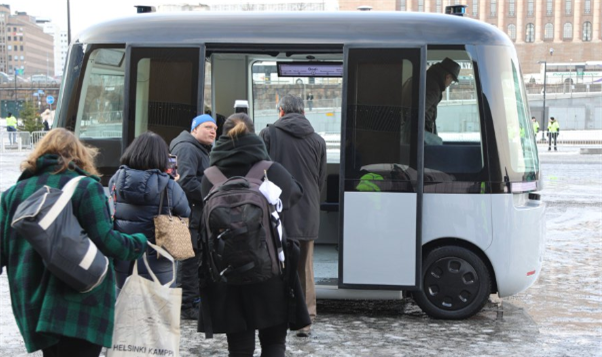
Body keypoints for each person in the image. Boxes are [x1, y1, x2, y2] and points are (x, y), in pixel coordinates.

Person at [0, 128, 148, 357]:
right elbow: (107, 241)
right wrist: (138, 243)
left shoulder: (12, 194)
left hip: (33, 300)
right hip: (80, 298)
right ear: (79, 154)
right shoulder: (85, 187)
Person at [198, 113, 309, 357]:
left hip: (227, 274)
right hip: (270, 271)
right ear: (254, 134)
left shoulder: (210, 176)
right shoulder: (271, 170)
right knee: (273, 344)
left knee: (239, 348)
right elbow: (295, 194)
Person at [259, 94, 327, 337]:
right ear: (304, 113)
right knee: (305, 267)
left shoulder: (268, 135)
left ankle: (274, 316)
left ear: (280, 112)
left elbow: (259, 171)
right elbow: (320, 180)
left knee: (274, 264)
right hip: (307, 210)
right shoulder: (318, 140)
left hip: (275, 209)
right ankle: (305, 320)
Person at [110, 131, 190, 288]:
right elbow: (185, 213)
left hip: (123, 258)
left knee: (125, 305)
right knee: (157, 309)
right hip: (159, 261)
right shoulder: (169, 185)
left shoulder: (116, 180)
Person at [169, 113, 217, 320]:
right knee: (187, 260)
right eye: (207, 127)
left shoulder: (197, 148)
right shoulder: (187, 148)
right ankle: (185, 306)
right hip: (187, 215)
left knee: (191, 259)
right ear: (194, 129)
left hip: (192, 214)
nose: (213, 131)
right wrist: (213, 196)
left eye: (214, 128)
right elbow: (186, 182)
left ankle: (190, 301)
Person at [401, 57, 461, 144]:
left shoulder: (421, 79)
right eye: (451, 81)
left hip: (408, 129)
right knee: (438, 143)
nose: (449, 84)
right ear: (447, 77)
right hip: (416, 133)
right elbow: (417, 114)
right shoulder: (433, 88)